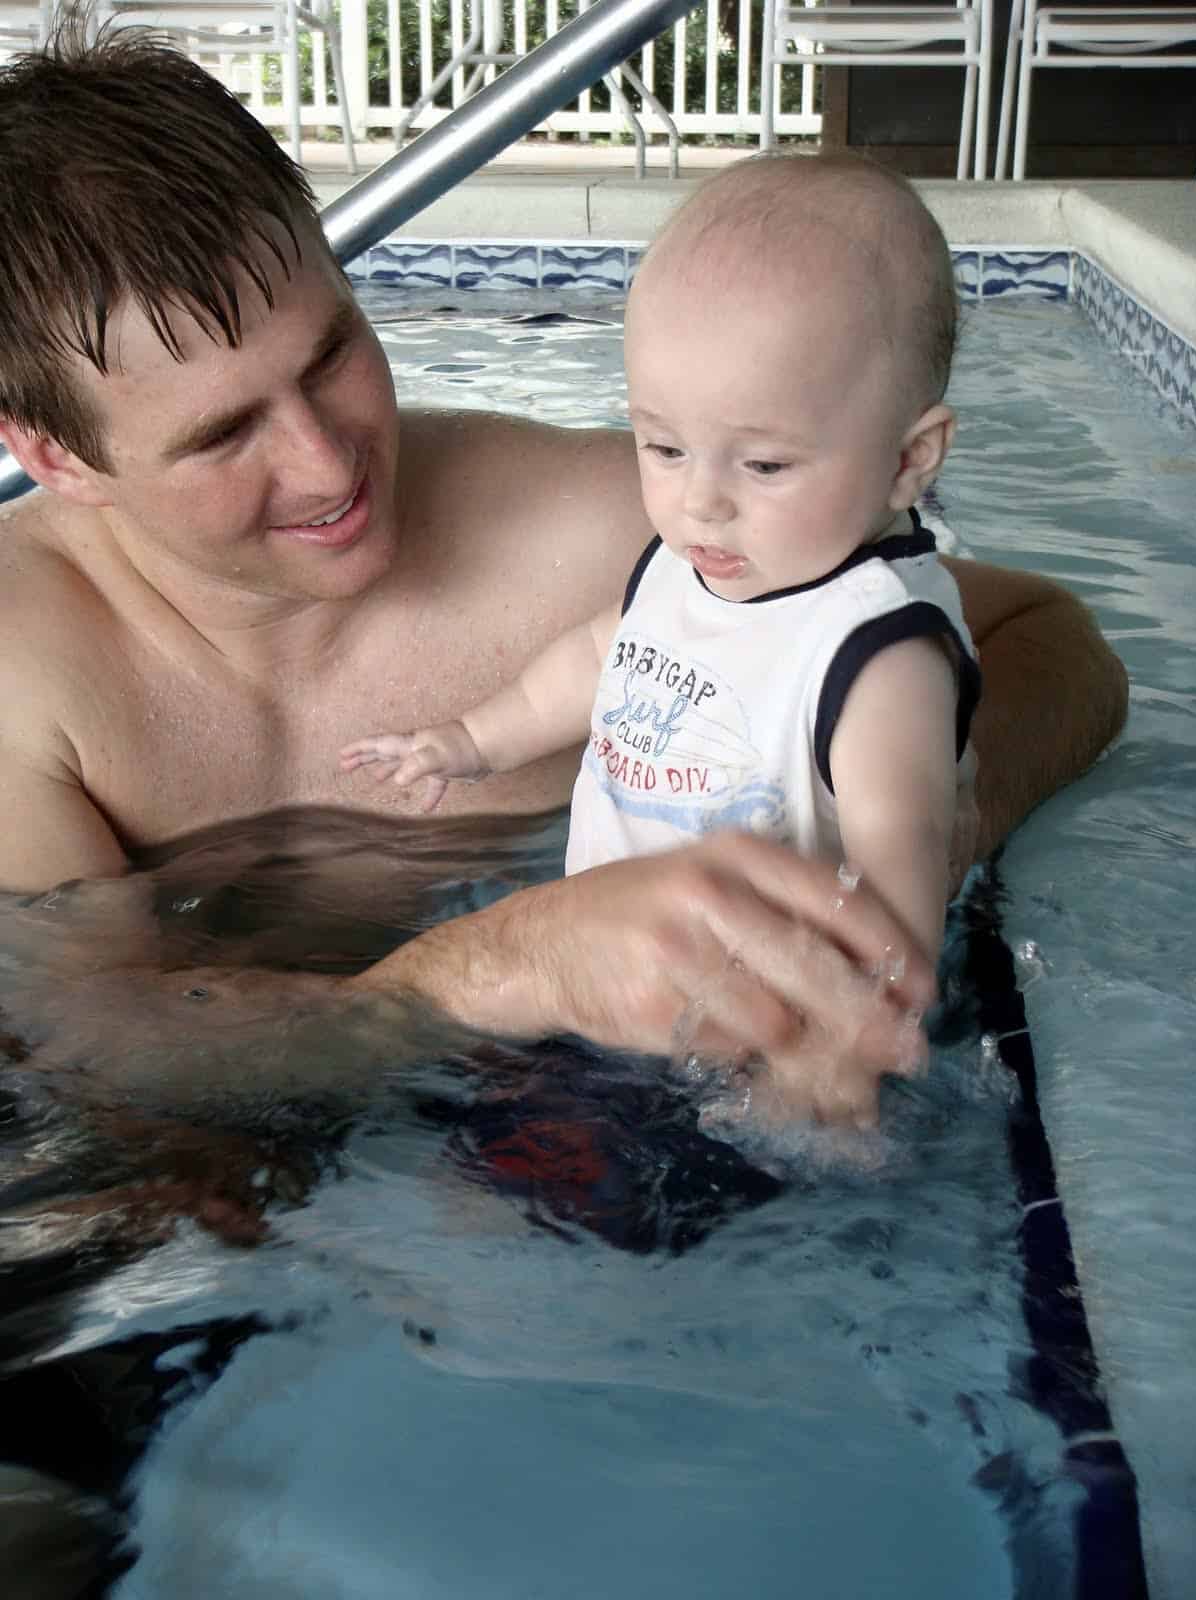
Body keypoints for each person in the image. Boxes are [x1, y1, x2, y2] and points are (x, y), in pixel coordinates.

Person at [0, 23, 1127, 1124]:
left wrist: (889, 857)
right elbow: (92, 1053)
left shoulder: (606, 532)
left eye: (333, 350)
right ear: (53, 456)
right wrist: (511, 961)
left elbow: (1054, 639)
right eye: (222, 433)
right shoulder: (24, 676)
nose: (327, 459)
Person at [341, 156, 977, 1012]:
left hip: (758, 1029)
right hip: (623, 991)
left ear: (909, 461)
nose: (701, 502)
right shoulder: (690, 564)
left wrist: (848, 1040)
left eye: (764, 463)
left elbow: (902, 872)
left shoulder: (874, 654)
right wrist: (467, 743)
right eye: (664, 448)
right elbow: (599, 656)